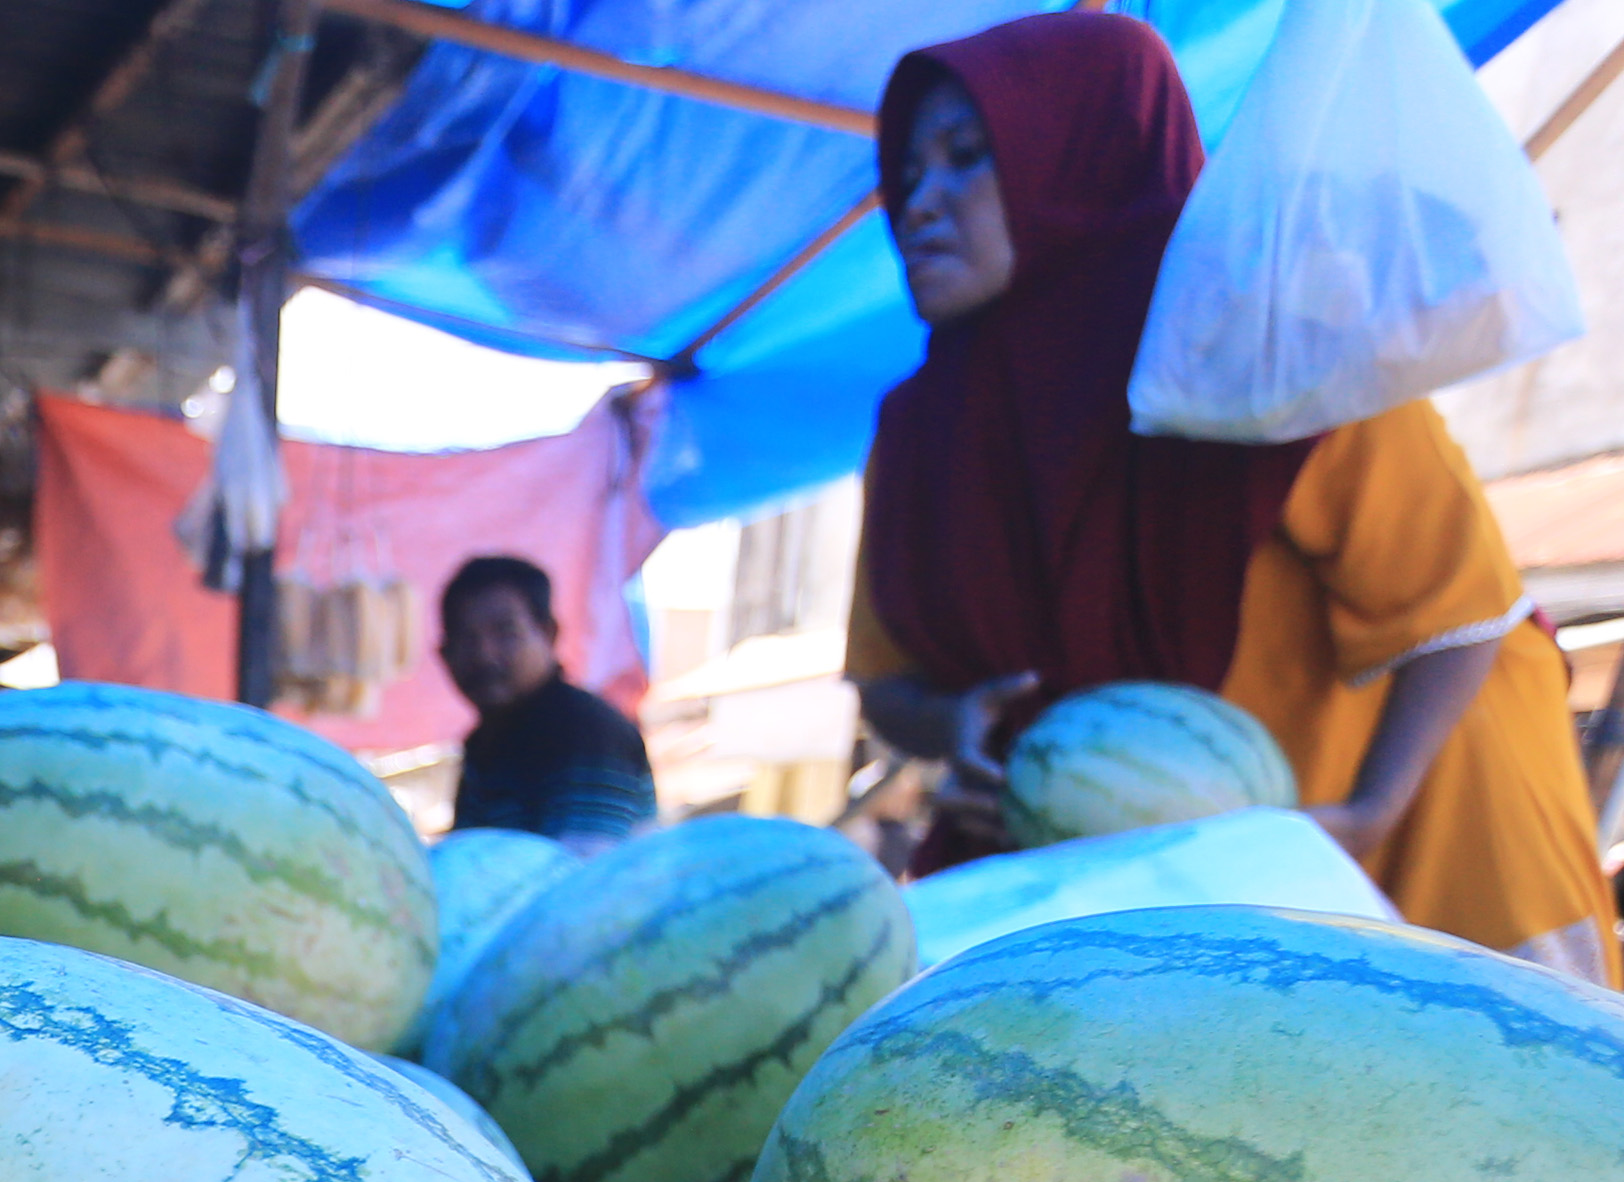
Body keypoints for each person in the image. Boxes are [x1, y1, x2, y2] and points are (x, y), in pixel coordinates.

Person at [847, 13, 1616, 982]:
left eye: (966, 157)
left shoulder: (1259, 332)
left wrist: (1365, 814)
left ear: (1080, 155)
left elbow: (1463, 613)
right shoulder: (917, 430)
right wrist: (955, 725)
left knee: (1517, 1070)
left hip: (1427, 821)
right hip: (1203, 881)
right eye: (907, 172)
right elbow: (886, 682)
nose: (919, 202)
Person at [442, 553, 658, 846]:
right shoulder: (486, 743)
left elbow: (580, 866)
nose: (484, 655)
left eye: (505, 633)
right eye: (465, 638)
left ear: (548, 633)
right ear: (443, 654)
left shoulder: (586, 733)